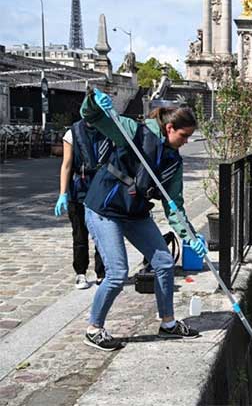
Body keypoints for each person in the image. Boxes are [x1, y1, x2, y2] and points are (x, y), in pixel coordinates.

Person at [80, 88, 207, 351]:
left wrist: (191, 239)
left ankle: (168, 324)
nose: (186, 141)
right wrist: (93, 101)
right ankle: (94, 328)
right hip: (105, 208)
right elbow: (92, 117)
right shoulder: (133, 132)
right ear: (170, 128)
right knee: (116, 273)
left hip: (135, 213)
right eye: (184, 136)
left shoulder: (174, 162)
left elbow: (175, 207)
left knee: (163, 262)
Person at [54, 119, 111, 289]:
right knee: (79, 234)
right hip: (79, 188)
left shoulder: (109, 130)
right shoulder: (73, 133)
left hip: (102, 188)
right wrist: (62, 193)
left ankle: (102, 273)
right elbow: (66, 165)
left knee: (103, 234)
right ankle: (80, 273)